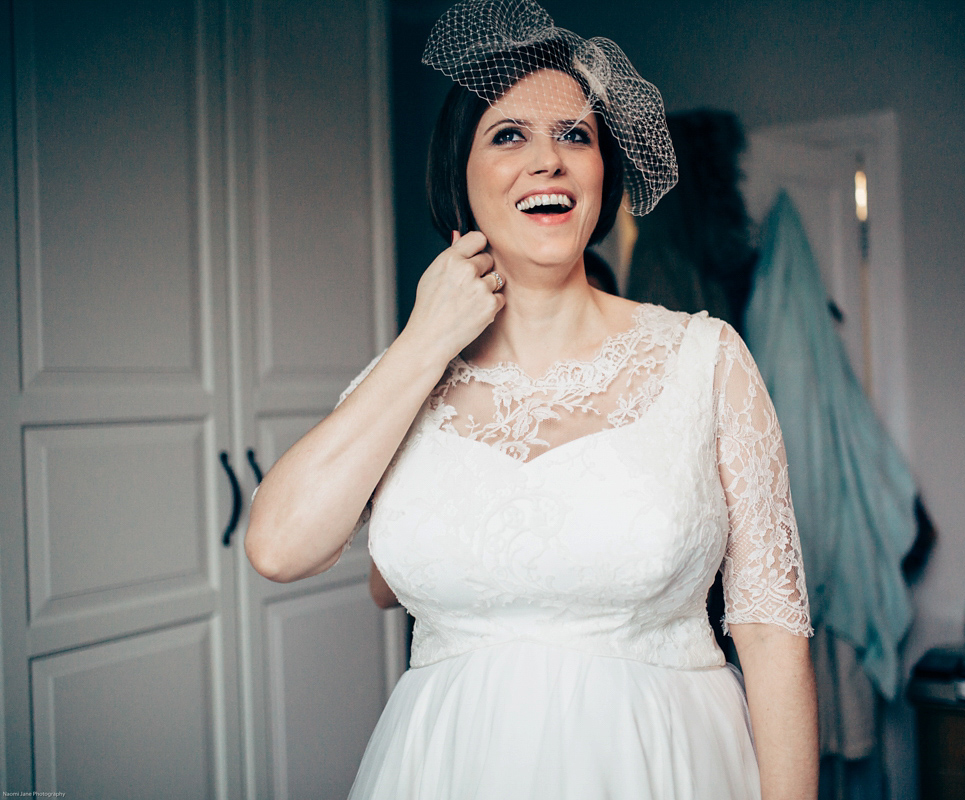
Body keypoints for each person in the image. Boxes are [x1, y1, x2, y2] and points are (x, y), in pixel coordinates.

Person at [244, 1, 817, 797]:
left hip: (664, 764)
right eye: (508, 134)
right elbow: (277, 549)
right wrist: (422, 342)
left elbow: (771, 632)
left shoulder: (705, 359)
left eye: (574, 135)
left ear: (601, 177)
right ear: (462, 179)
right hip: (446, 767)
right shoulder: (406, 375)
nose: (547, 159)